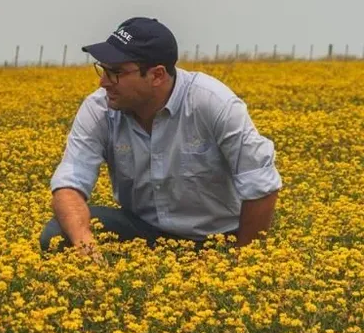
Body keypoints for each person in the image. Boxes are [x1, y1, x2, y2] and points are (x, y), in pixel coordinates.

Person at [41, 17, 282, 257]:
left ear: (156, 75)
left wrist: (243, 259)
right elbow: (69, 183)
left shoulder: (212, 102)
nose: (103, 82)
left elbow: (260, 182)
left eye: (116, 73)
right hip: (143, 232)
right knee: (57, 237)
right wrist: (86, 248)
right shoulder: (99, 108)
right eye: (102, 69)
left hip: (216, 237)